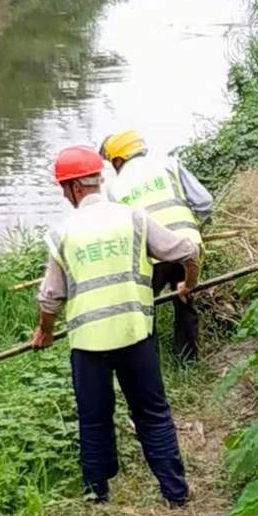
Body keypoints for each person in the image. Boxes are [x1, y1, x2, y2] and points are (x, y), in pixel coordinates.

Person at [32, 145, 198, 507]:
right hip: (135, 334)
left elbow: (50, 298)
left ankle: (97, 496)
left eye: (63, 187)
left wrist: (44, 331)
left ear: (74, 188)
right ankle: (176, 493)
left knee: (94, 419)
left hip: (89, 345)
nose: (64, 194)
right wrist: (189, 284)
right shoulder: (133, 218)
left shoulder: (63, 233)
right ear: (98, 180)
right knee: (152, 414)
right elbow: (187, 251)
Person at [100, 130, 212, 361]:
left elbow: (118, 228)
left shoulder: (115, 186)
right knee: (185, 298)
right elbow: (204, 202)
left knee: (142, 306)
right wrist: (194, 229)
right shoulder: (169, 165)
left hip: (149, 255)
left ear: (118, 160)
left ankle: (147, 361)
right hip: (186, 247)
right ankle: (187, 358)